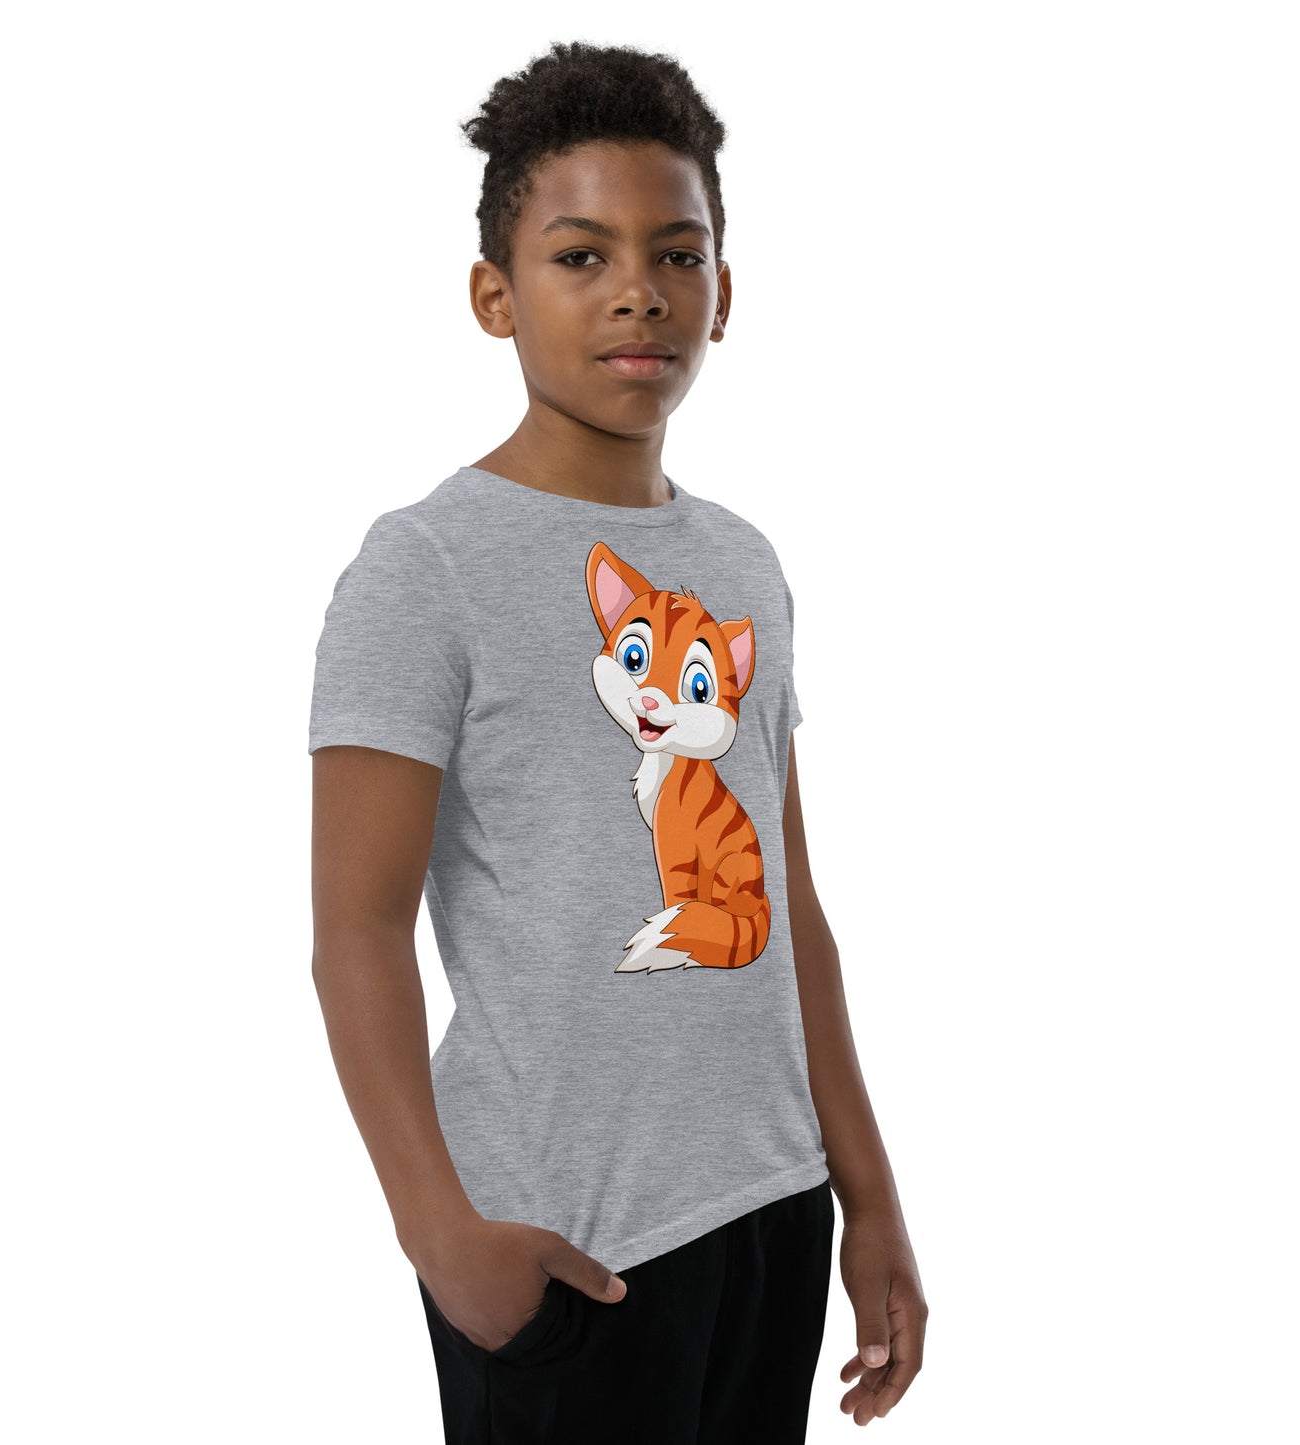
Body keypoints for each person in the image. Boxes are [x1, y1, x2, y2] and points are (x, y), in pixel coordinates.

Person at [308, 39, 926, 1443]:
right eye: (580, 255)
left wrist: (869, 1196)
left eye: (676, 254)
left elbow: (790, 906)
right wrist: (439, 1235)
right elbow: (355, 931)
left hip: (771, 1207)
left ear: (724, 291)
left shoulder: (744, 563)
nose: (637, 291)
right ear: (495, 294)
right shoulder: (425, 568)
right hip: (564, 1240)